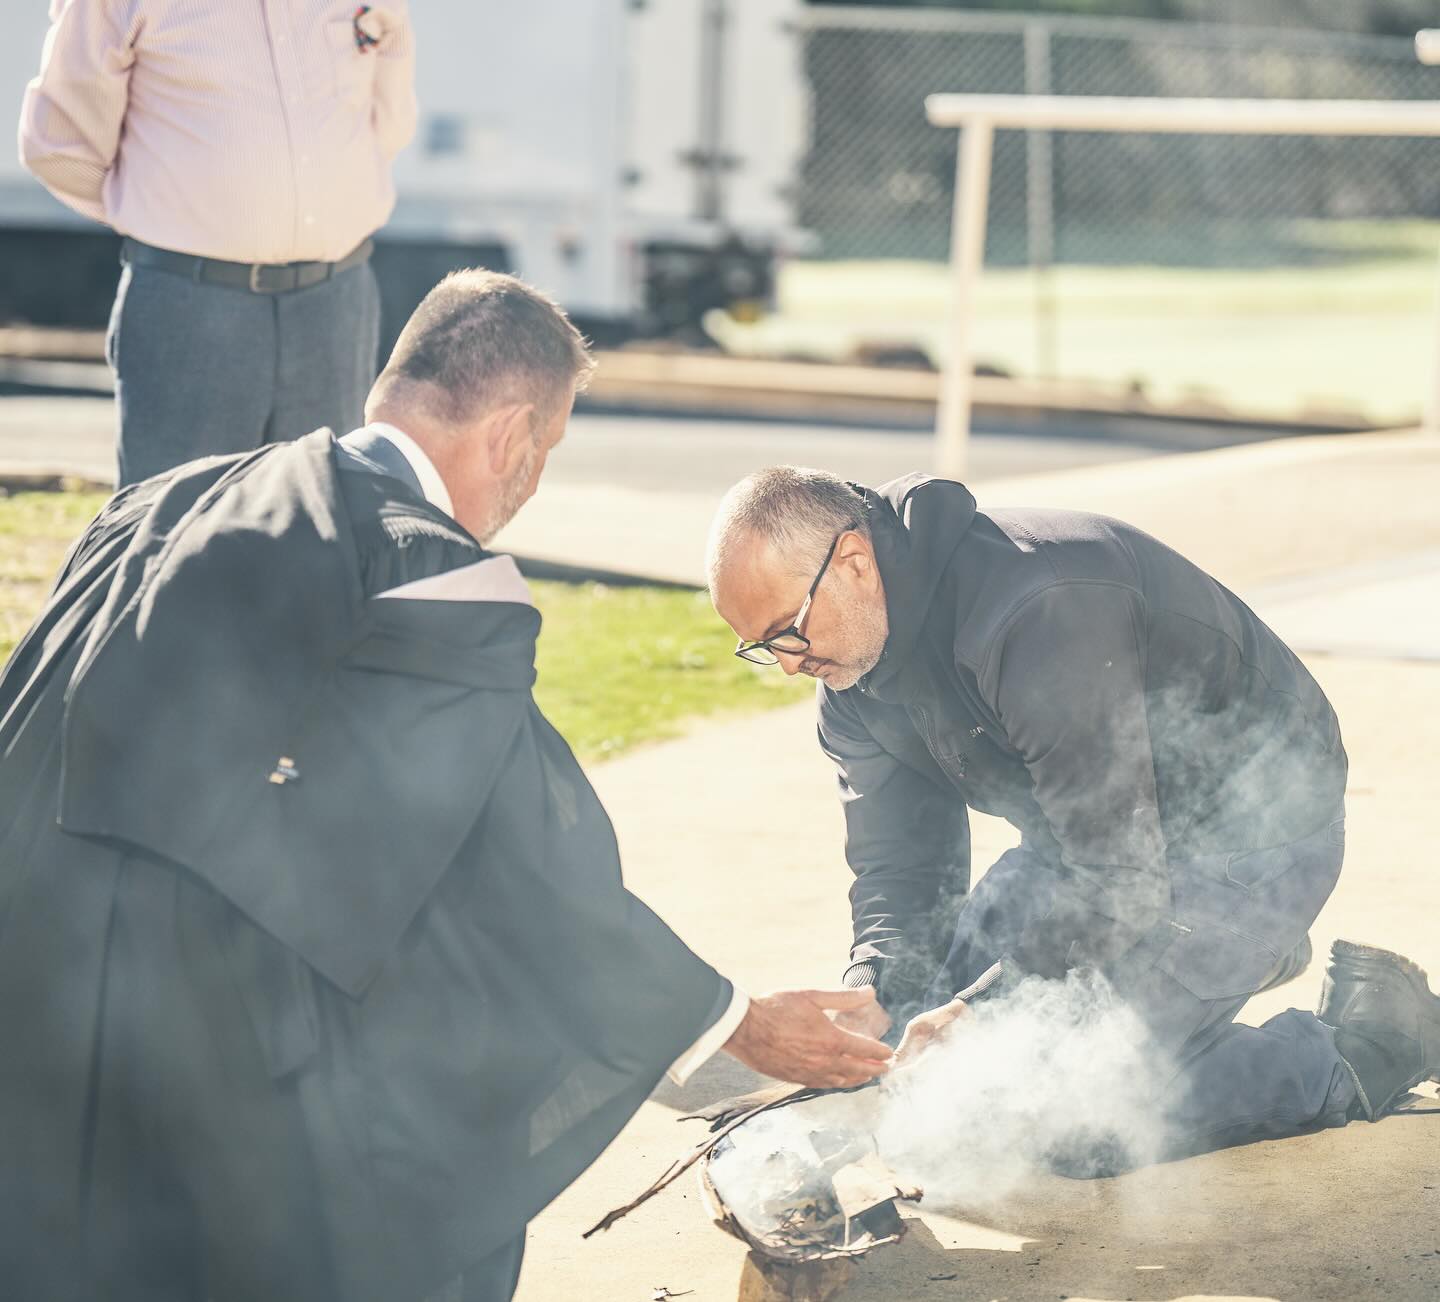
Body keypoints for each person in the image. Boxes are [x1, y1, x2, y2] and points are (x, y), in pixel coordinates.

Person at [0, 274, 892, 1302]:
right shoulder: (432, 573)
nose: (534, 483)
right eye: (548, 451)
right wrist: (732, 1021)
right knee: (425, 1118)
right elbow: (527, 864)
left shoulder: (165, 499)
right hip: (185, 1047)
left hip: (33, 990)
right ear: (513, 434)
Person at [706, 465, 1440, 1164]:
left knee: (1066, 1113)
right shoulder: (852, 673)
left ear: (856, 563)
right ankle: (1229, 964)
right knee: (919, 1039)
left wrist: (989, 1009)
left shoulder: (1036, 607)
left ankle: (1367, 1041)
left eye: (788, 629)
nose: (791, 664)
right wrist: (875, 988)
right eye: (763, 648)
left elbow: (1121, 878)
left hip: (1250, 841)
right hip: (1087, 847)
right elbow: (904, 866)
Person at [18, 0, 418, 487]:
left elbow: (390, 121)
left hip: (336, 304)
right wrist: (167, 216)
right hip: (190, 308)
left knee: (322, 533)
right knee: (178, 535)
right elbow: (59, 142)